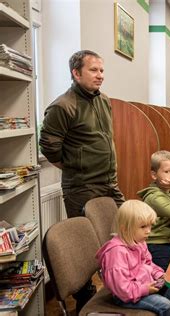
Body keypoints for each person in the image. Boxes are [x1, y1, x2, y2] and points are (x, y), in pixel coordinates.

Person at [39, 49, 125, 311]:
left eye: (102, 70)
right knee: (87, 250)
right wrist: (76, 166)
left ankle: (122, 283)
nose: (100, 75)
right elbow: (49, 147)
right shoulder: (62, 106)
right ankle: (86, 301)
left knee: (124, 231)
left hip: (108, 182)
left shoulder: (104, 100)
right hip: (81, 185)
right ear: (76, 73)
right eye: (93, 70)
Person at [96, 200, 170, 316]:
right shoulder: (116, 253)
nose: (148, 231)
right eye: (143, 226)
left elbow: (148, 263)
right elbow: (122, 290)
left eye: (150, 225)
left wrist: (159, 274)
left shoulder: (139, 241)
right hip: (126, 296)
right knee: (165, 306)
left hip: (144, 284)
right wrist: (145, 289)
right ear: (125, 229)